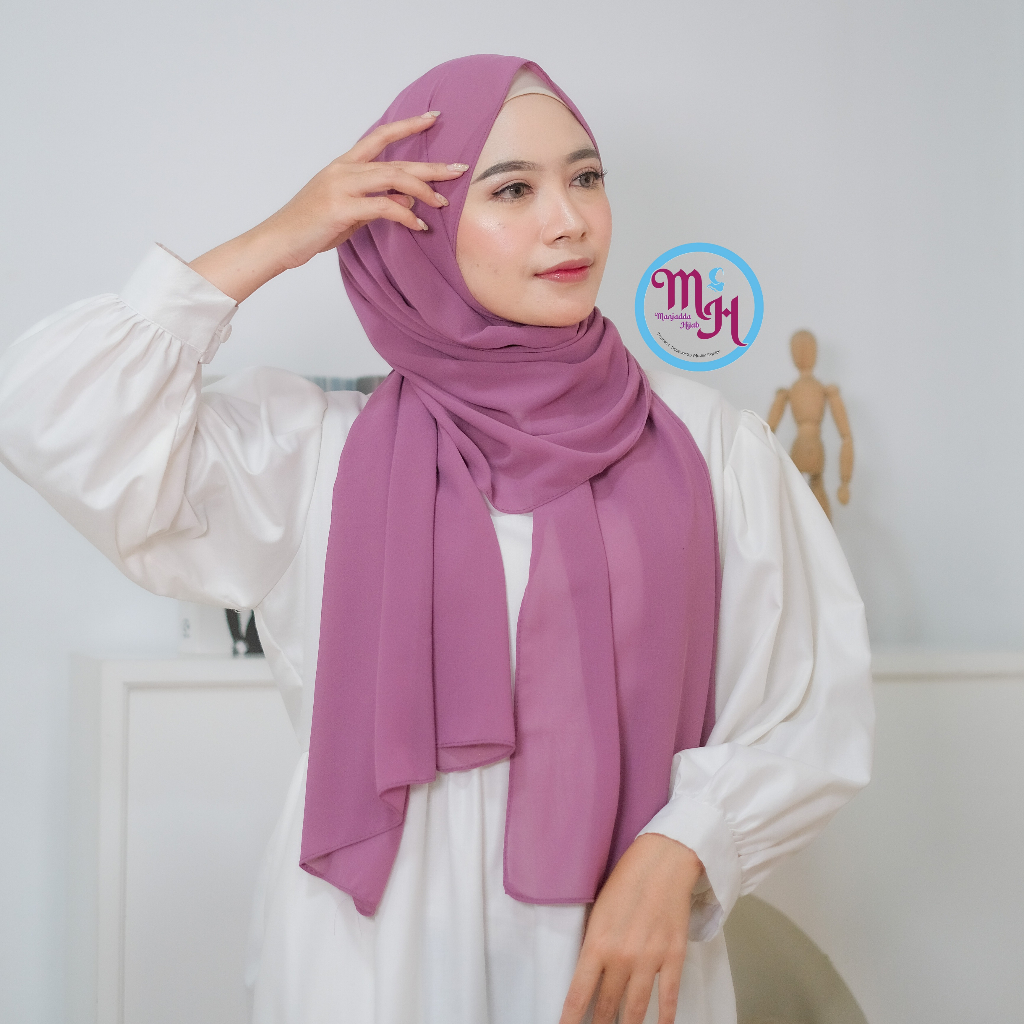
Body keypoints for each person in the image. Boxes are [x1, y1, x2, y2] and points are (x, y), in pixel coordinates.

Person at [0, 54, 873, 1024]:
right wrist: (280, 237)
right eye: (512, 190)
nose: (569, 221)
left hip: (616, 949)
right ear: (420, 222)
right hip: (373, 960)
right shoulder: (316, 451)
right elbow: (52, 420)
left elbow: (809, 702)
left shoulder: (707, 444)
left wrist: (684, 849)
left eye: (585, 177)